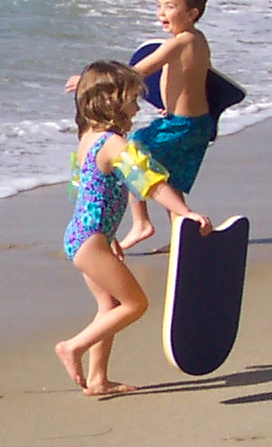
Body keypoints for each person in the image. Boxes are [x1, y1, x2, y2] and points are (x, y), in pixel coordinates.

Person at [57, 61, 210, 397]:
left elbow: (78, 189)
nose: (137, 107)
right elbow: (149, 182)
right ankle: (73, 346)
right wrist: (184, 212)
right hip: (91, 241)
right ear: (111, 101)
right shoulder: (112, 143)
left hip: (85, 236)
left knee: (109, 306)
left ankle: (97, 379)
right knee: (135, 304)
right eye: (131, 100)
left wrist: (107, 237)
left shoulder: (86, 138)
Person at [117, 0, 217, 250]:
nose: (162, 12)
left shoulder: (180, 42)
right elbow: (190, 80)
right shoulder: (197, 40)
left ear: (192, 13)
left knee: (129, 154)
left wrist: (92, 81)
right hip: (192, 123)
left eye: (170, 7)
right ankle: (181, 234)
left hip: (181, 126)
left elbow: (138, 72)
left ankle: (141, 224)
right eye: (159, 5)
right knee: (167, 177)